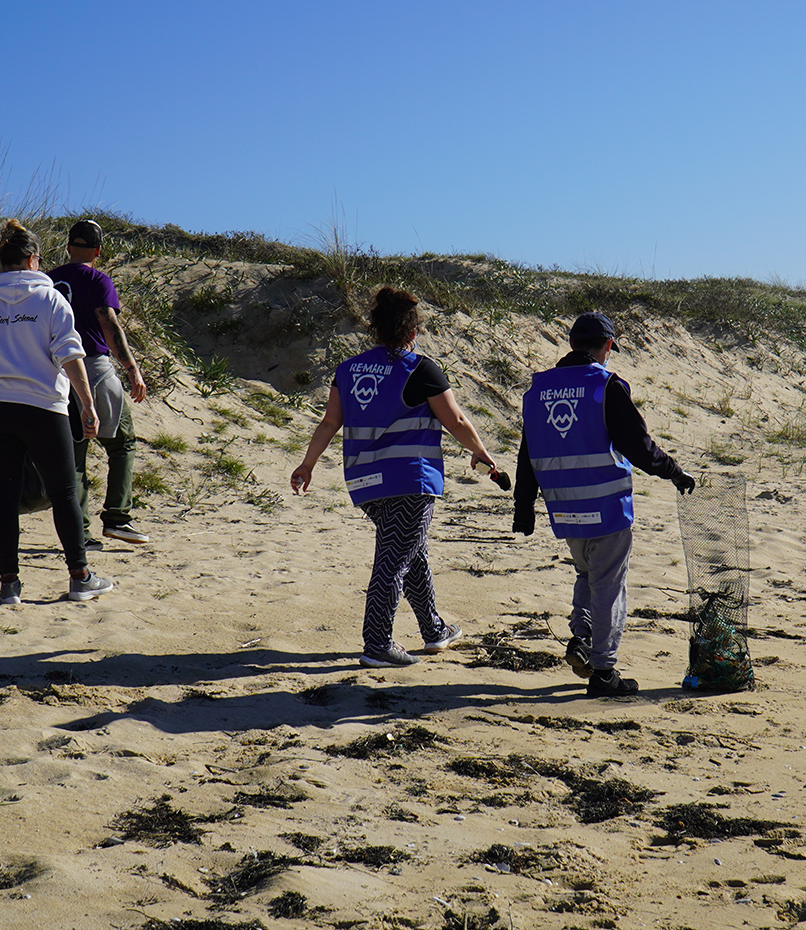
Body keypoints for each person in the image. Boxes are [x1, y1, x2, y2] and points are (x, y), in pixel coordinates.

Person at [290, 286, 496, 667]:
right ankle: (377, 644)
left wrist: (308, 464)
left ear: (376, 329)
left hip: (365, 484)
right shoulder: (420, 368)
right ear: (412, 331)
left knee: (407, 551)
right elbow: (455, 420)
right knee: (394, 561)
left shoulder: (348, 370)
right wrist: (480, 451)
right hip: (410, 481)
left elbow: (330, 423)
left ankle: (434, 630)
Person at [512, 312, 696, 697]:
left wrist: (523, 505)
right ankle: (604, 671)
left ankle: (581, 638)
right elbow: (639, 447)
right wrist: (675, 473)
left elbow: (527, 450)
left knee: (586, 575)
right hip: (607, 510)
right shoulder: (605, 385)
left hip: (564, 511)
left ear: (572, 343)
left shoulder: (538, 390)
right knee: (609, 585)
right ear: (608, 346)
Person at [0, 219, 114, 605]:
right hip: (42, 407)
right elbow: (70, 354)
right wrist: (87, 403)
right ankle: (80, 577)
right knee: (64, 491)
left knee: (4, 494)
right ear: (34, 259)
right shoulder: (50, 300)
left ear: (2, 259)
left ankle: (9, 585)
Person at [46, 219, 150, 547]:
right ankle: (117, 517)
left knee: (74, 454)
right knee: (122, 443)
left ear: (68, 247)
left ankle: (79, 532)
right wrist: (131, 368)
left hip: (55, 370)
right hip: (92, 368)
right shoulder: (97, 280)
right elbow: (108, 323)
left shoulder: (48, 280)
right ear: (98, 251)